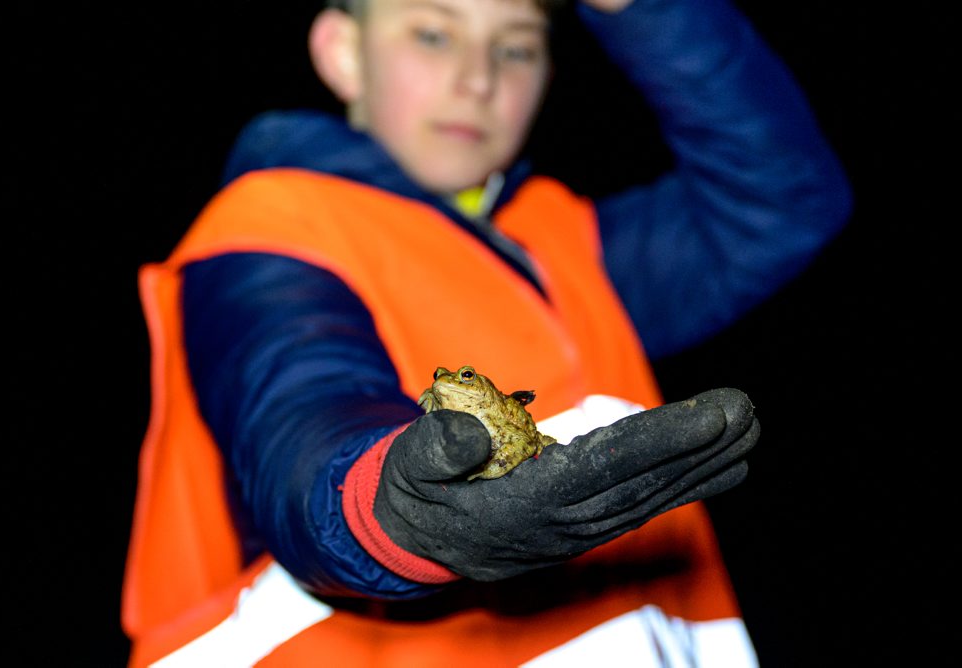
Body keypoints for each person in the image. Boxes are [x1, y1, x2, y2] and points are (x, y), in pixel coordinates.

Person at [122, 0, 852, 665]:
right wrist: (397, 511)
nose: (478, 79)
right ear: (344, 52)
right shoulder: (271, 224)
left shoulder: (561, 242)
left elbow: (787, 199)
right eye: (434, 33)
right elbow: (294, 407)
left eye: (518, 48)